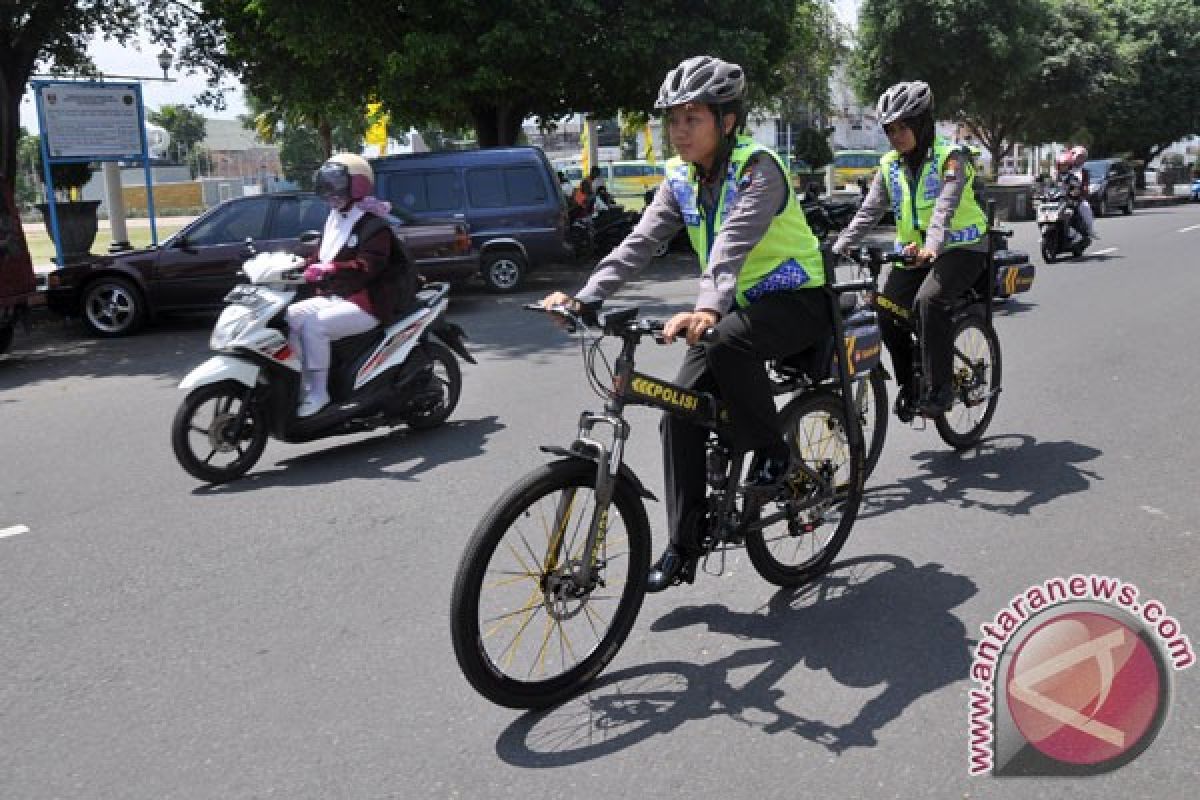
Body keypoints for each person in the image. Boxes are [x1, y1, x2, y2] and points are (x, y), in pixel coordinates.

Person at [540, 55, 830, 592]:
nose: (678, 131)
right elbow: (640, 242)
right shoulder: (679, 178)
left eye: (692, 118)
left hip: (796, 297)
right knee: (678, 413)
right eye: (672, 119)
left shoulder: (758, 168)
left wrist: (707, 307)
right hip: (732, 307)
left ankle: (773, 452)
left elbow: (730, 245)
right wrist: (585, 298)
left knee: (728, 342)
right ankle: (684, 545)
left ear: (727, 121)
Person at [832, 80, 989, 422]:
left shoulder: (951, 158)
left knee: (929, 302)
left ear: (922, 123)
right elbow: (869, 211)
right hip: (913, 253)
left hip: (962, 247)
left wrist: (933, 246)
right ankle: (911, 384)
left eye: (904, 127)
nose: (897, 136)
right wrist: (840, 246)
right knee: (885, 313)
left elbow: (945, 207)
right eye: (890, 129)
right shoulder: (889, 164)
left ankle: (941, 388)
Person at [287, 153, 401, 417]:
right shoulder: (335, 217)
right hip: (337, 295)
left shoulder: (374, 225)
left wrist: (330, 269)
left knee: (315, 327)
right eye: (326, 184)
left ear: (357, 185)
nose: (330, 192)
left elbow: (367, 267)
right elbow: (322, 255)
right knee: (290, 317)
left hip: (368, 301)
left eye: (336, 184)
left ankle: (320, 392)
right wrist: (297, 265)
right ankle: (306, 381)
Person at [1069, 145, 1098, 239]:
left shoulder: (1084, 172)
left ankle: (1090, 229)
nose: (1080, 160)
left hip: (1076, 197)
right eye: (1079, 157)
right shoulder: (1064, 168)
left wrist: (1084, 190)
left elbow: (1085, 183)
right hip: (1061, 196)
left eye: (1082, 158)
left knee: (1085, 207)